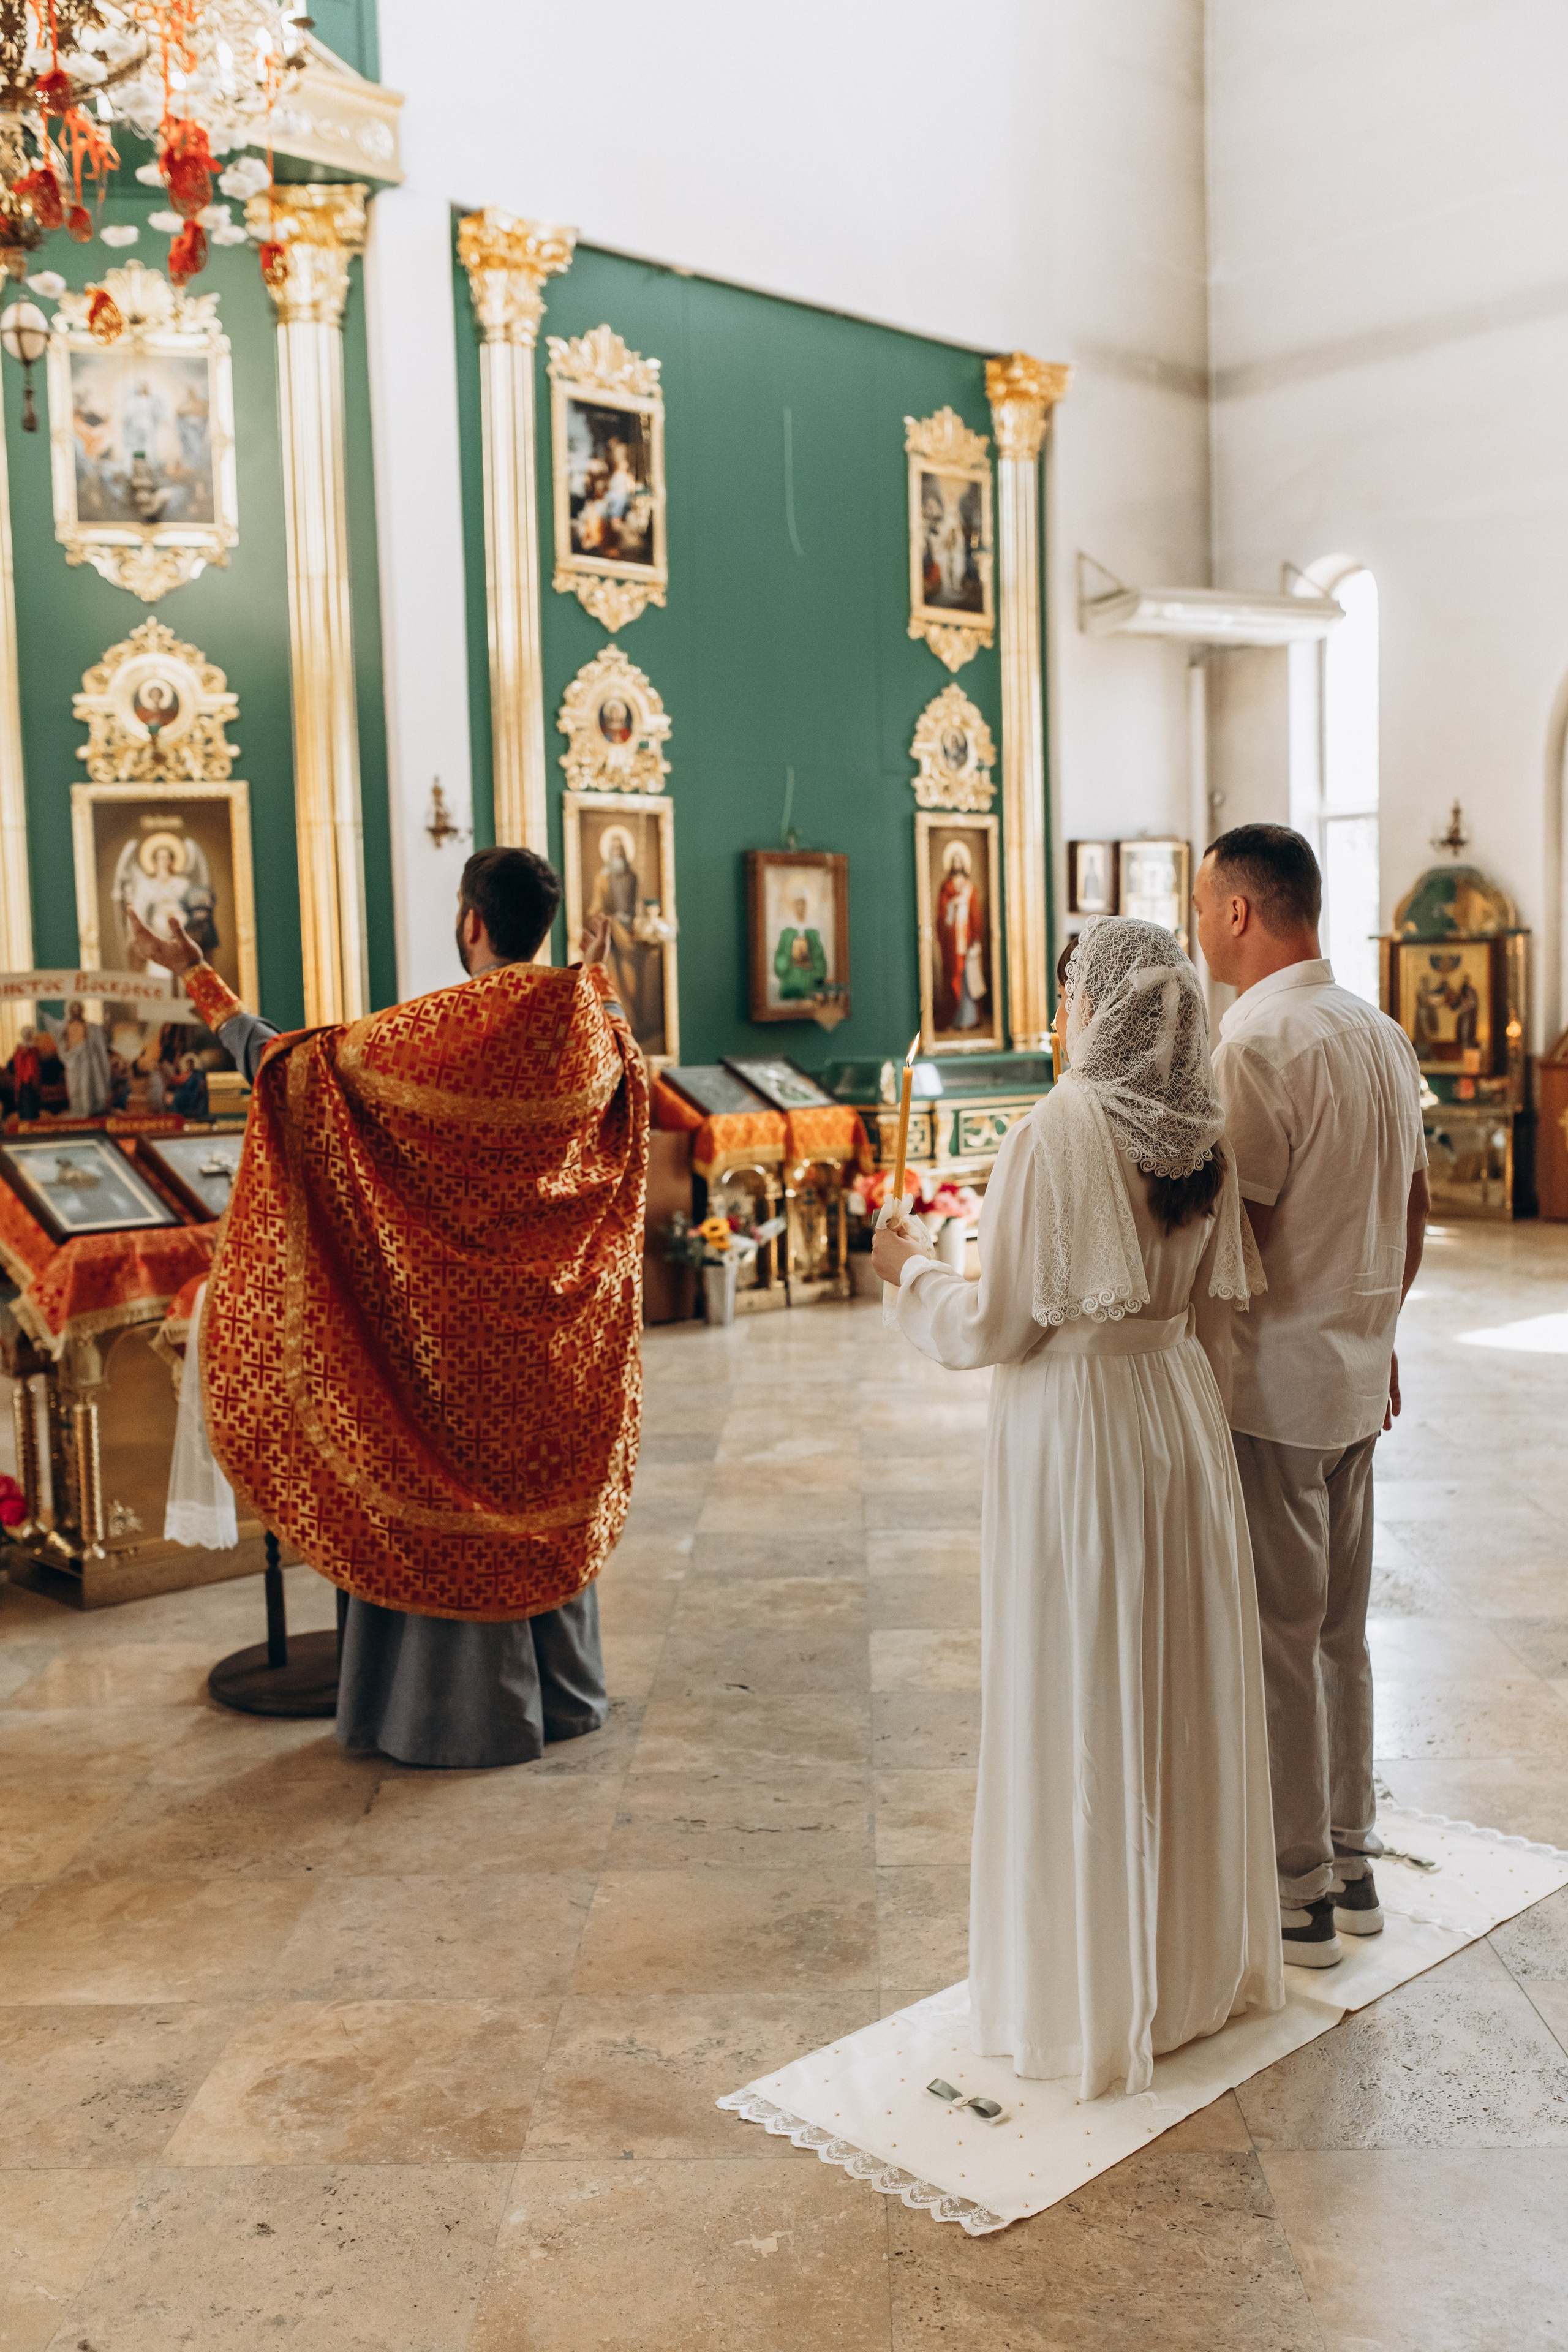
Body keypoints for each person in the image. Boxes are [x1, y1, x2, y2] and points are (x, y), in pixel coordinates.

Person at [872, 917, 1280, 2099]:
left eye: (1069, 992)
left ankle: (1088, 1991)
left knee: (1084, 1684)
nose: (1063, 1014)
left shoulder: (1060, 1126)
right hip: (1178, 1415)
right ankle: (1187, 1968)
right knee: (1175, 1683)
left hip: (1084, 1431)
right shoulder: (1202, 1128)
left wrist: (911, 1273)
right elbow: (1215, 1319)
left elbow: (1002, 1326)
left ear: (1102, 1006)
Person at [127, 845, 648, 1770]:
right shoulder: (590, 1030)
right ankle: (564, 1698)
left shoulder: (429, 1033)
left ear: (473, 923)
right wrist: (598, 972)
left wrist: (198, 979)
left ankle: (436, 1717)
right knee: (536, 1495)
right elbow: (630, 1072)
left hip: (442, 1351)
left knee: (424, 1495)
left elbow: (287, 1069)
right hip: (551, 1353)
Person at [1193, 824, 1428, 1970]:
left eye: (1202, 907)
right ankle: (1353, 1856)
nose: (1198, 929)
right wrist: (1378, 1332)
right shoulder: (1378, 1031)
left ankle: (1298, 1896)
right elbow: (1415, 1209)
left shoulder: (1258, 1043)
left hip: (1274, 1384)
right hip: (1355, 1375)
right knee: (1342, 1633)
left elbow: (1241, 1236)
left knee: (1280, 1638)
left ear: (1241, 912)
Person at [40, 998, 110, 1117]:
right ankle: (77, 1109)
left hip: (86, 1061)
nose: (76, 1011)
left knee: (85, 1085)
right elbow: (56, 1031)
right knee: (73, 1087)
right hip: (71, 1061)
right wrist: (44, 1016)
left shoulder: (89, 1026)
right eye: (74, 1009)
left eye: (78, 1009)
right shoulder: (65, 1026)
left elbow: (98, 1035)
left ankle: (87, 1110)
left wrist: (106, 1022)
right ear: (71, 1010)